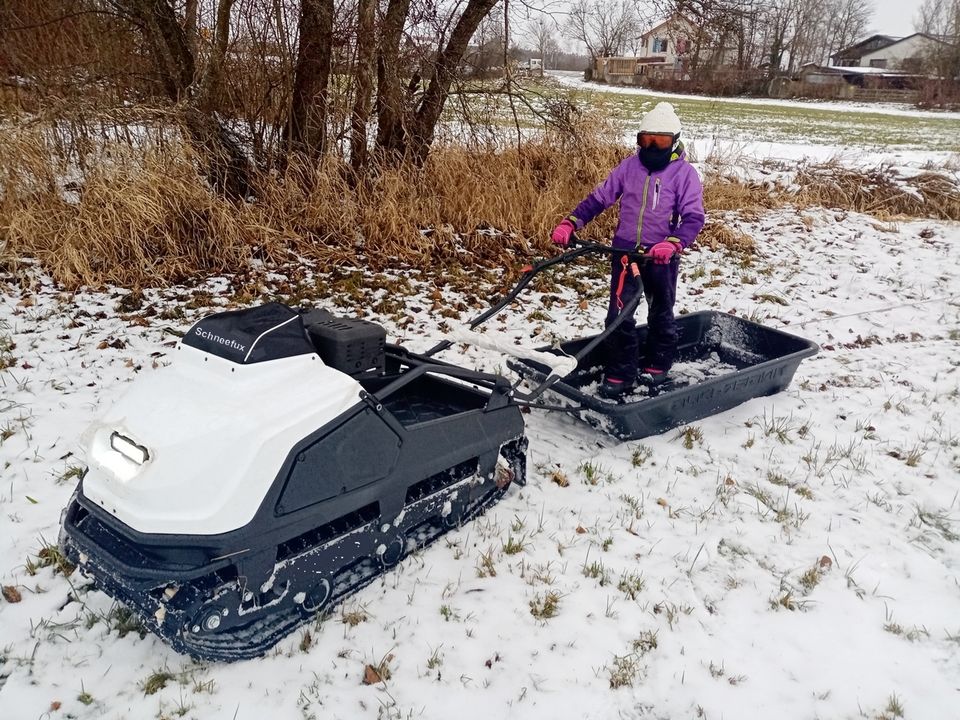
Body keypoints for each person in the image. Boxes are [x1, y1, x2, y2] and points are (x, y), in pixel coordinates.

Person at [551, 101, 705, 399]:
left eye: (659, 142)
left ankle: (658, 364)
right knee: (618, 316)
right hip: (624, 256)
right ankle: (621, 371)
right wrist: (571, 223)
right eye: (645, 140)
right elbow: (599, 199)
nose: (651, 147)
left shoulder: (684, 175)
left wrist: (673, 243)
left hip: (660, 258)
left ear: (674, 142)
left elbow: (694, 218)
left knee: (661, 312)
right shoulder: (628, 167)